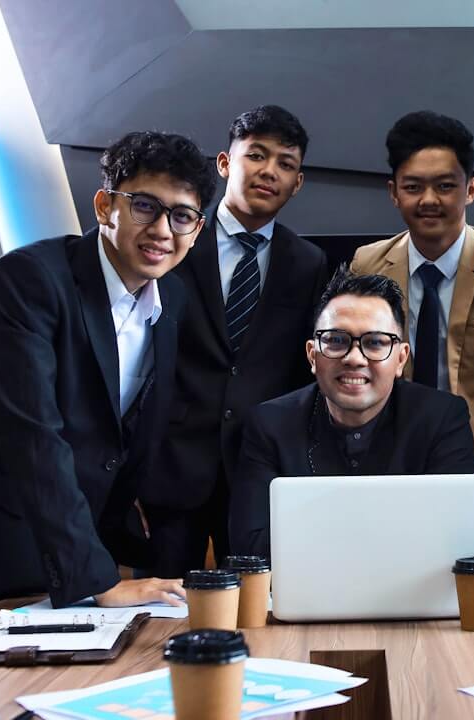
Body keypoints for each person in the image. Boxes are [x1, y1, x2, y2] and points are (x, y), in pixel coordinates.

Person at [0, 131, 218, 630]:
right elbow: (32, 434)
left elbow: (125, 431)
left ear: (197, 230)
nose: (162, 229)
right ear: (103, 205)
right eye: (145, 206)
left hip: (79, 549)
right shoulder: (29, 279)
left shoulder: (171, 299)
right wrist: (99, 579)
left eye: (181, 216)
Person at [351, 111, 474, 581]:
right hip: (386, 486)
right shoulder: (366, 264)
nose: (429, 200)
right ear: (393, 191)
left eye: (445, 185)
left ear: (471, 189)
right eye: (413, 186)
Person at [146, 106, 328, 576]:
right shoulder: (173, 240)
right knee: (162, 613)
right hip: (170, 468)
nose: (270, 171)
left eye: (285, 164)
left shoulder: (308, 263)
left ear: (298, 182)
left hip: (260, 470)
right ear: (225, 163)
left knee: (257, 612)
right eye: (257, 156)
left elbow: (299, 372)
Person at [229, 268, 474, 561]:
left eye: (375, 343)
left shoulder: (441, 418)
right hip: (306, 599)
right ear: (312, 355)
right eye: (336, 340)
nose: (354, 358)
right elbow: (250, 548)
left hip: (411, 600)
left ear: (401, 358)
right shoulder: (269, 424)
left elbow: (460, 540)